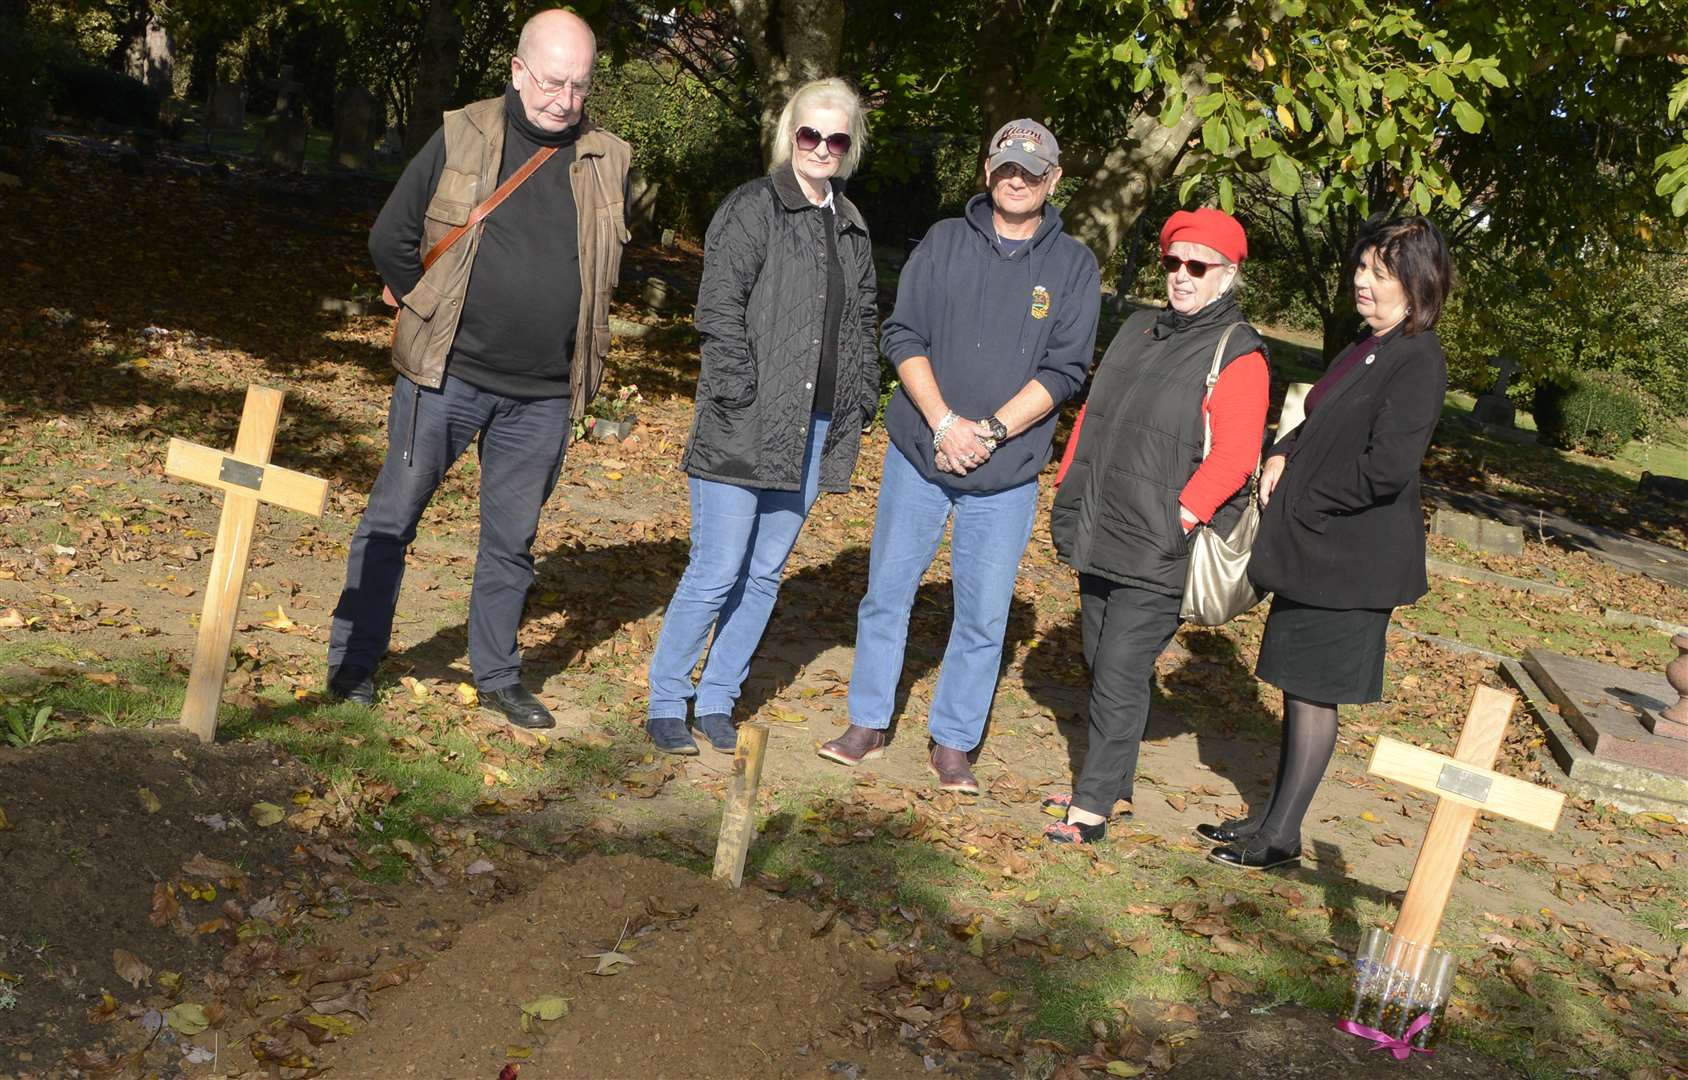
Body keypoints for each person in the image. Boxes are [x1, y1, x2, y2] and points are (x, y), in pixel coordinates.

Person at [325, 9, 632, 729]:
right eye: (554, 82)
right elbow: (390, 236)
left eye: (580, 87)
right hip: (447, 379)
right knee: (392, 520)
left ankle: (496, 676)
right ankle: (354, 661)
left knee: (511, 543)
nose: (566, 100)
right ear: (519, 70)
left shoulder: (608, 157)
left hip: (544, 396)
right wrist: (425, 308)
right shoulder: (462, 132)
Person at [819, 118, 1101, 793]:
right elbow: (903, 332)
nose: (1017, 178)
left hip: (1005, 473)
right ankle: (867, 721)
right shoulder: (944, 242)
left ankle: (953, 742)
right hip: (921, 452)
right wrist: (944, 423)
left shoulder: (1074, 265)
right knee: (886, 594)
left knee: (982, 615)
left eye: (1032, 170)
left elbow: (1066, 369)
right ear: (987, 170)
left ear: (1053, 179)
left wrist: (990, 433)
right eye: (1006, 165)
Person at [1198, 214, 1453, 870]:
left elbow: (1386, 469)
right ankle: (1271, 820)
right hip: (1318, 552)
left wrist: (1302, 494)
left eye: (1379, 272)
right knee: (1296, 688)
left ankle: (1280, 837)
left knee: (1313, 697)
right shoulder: (1367, 345)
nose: (1361, 282)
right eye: (1361, 267)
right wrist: (1283, 453)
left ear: (1417, 283)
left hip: (1353, 563)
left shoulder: (1418, 359)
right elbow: (1314, 420)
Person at [645, 78, 880, 755]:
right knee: (718, 567)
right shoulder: (753, 208)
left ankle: (718, 698)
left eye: (837, 138)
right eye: (811, 134)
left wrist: (857, 400)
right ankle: (668, 698)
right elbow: (717, 311)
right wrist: (741, 394)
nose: (823, 148)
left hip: (813, 428)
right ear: (791, 133)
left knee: (764, 572)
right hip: (743, 420)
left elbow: (862, 322)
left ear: (849, 146)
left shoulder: (853, 227)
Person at [1041, 208, 1270, 844]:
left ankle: (1089, 809)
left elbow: (1234, 453)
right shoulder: (1139, 327)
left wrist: (1184, 514)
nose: (1182, 276)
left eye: (1199, 266)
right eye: (1173, 262)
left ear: (1228, 275)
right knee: (1097, 657)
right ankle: (1112, 786)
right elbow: (1094, 413)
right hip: (1102, 522)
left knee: (1118, 666)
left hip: (1164, 540)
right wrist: (1069, 480)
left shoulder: (1238, 351)